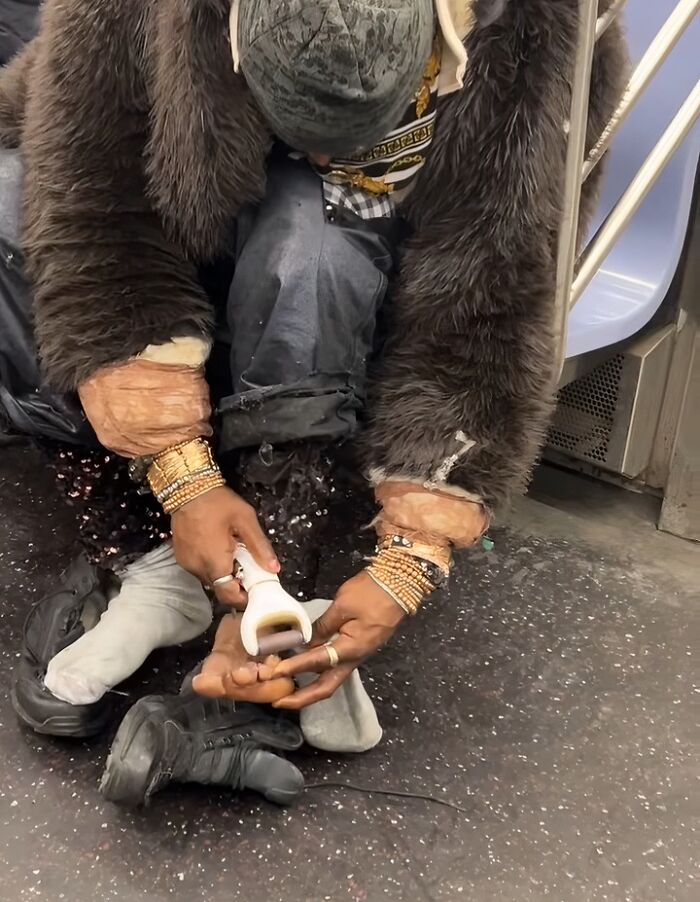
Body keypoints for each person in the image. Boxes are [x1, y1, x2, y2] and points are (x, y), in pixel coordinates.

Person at [0, 0, 627, 805]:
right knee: (11, 202)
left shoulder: (550, 34)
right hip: (176, 152)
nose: (323, 152)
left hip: (381, 219)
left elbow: (492, 304)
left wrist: (409, 563)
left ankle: (272, 596)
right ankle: (144, 558)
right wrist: (182, 477)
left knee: (312, 237)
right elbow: (96, 215)